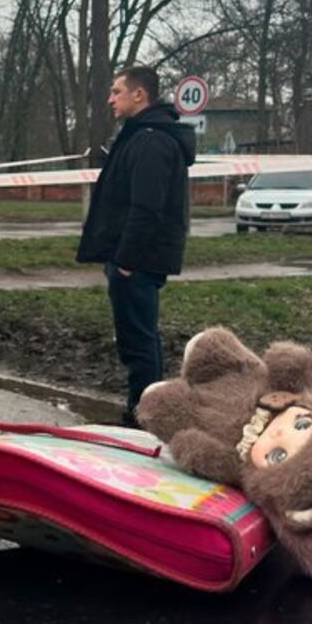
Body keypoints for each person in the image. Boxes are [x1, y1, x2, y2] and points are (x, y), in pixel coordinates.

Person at [76, 65, 196, 427]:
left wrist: (125, 260)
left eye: (117, 91)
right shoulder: (141, 135)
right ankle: (145, 407)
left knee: (139, 341)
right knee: (137, 336)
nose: (111, 99)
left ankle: (144, 416)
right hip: (132, 258)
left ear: (138, 95)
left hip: (137, 261)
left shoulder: (151, 141)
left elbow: (147, 207)